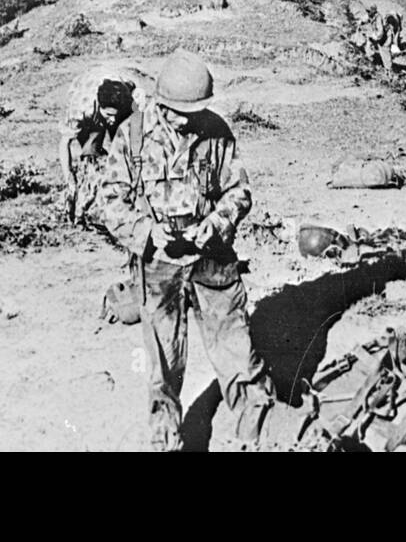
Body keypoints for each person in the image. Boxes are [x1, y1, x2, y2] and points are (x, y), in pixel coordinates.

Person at [97, 51, 277, 451]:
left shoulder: (215, 131)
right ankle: (166, 439)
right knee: (162, 361)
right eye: (178, 111)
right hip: (157, 261)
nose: (186, 119)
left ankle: (260, 431)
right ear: (160, 101)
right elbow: (110, 201)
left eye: (193, 110)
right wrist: (149, 234)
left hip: (210, 254)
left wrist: (214, 224)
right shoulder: (132, 135)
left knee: (235, 347)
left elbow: (239, 191)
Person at [60, 74, 135, 228]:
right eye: (108, 115)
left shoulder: (127, 98)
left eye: (115, 115)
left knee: (120, 145)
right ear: (99, 107)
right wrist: (69, 179)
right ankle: (87, 202)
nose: (112, 120)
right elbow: (65, 142)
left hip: (118, 85)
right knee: (90, 152)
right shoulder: (81, 108)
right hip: (85, 87)